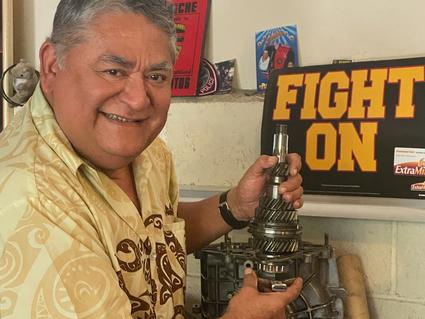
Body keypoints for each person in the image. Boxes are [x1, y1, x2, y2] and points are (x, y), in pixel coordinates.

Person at [0, 1, 304, 318]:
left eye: (156, 76)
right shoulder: (31, 202)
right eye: (113, 71)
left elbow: (152, 236)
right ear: (51, 65)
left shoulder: (146, 150)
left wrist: (236, 206)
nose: (138, 99)